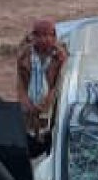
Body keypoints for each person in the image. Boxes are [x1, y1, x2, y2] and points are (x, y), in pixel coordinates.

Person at [16, 19, 68, 150]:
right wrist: (25, 101)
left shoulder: (59, 57)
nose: (44, 39)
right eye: (40, 35)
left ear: (54, 36)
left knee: (49, 137)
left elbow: (59, 84)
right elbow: (20, 82)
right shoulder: (25, 55)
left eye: (48, 35)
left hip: (49, 106)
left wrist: (47, 102)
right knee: (29, 138)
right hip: (29, 105)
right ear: (34, 36)